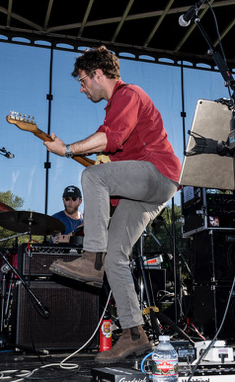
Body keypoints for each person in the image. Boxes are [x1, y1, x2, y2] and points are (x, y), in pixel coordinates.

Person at [43, 46, 181, 363]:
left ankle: (92, 260)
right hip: (146, 190)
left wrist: (67, 149)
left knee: (91, 175)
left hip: (159, 174)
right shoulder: (114, 107)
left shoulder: (128, 94)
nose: (81, 88)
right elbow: (115, 160)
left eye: (82, 80)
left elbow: (111, 137)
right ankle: (134, 333)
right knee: (116, 257)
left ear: (98, 75)